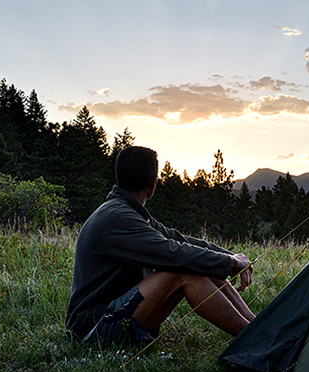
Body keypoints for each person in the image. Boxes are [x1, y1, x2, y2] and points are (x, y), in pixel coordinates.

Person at [65, 145, 254, 345]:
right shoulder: (117, 217)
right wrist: (228, 262)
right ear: (153, 182)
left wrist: (230, 257)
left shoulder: (128, 212)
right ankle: (255, 340)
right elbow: (174, 253)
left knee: (197, 263)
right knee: (183, 269)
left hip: (110, 316)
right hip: (91, 328)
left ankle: (258, 327)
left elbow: (178, 239)